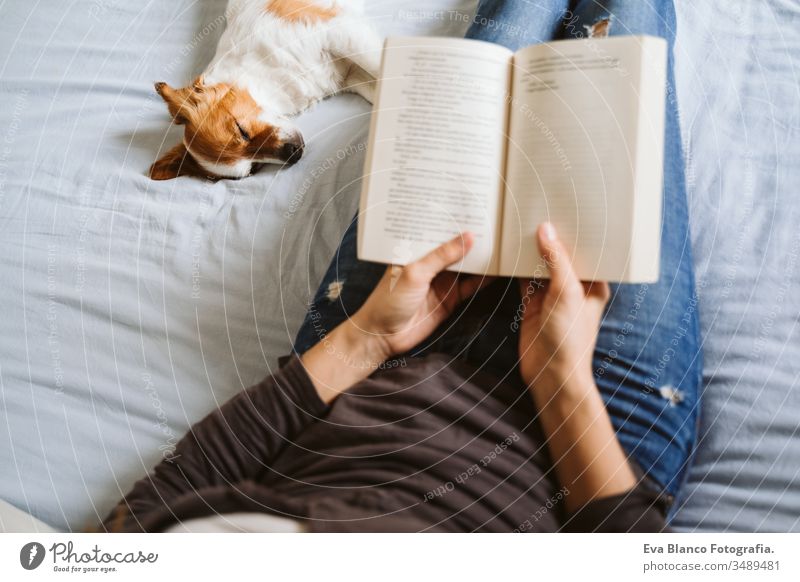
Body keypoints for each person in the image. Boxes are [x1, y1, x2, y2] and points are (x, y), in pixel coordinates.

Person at [102, 0, 701, 533]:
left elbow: (173, 489)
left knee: (489, 54)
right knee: (626, 32)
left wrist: (367, 337)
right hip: (588, 422)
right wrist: (561, 376)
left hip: (369, 355)